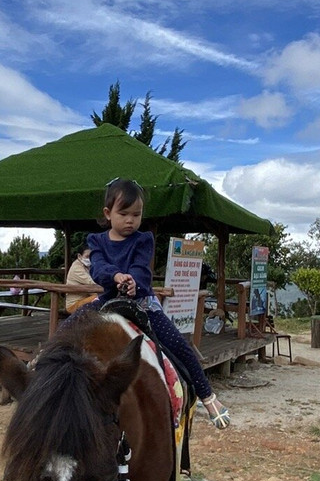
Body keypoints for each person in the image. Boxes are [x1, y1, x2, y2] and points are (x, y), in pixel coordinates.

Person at [77, 178, 231, 429]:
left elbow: (141, 269)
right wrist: (115, 276)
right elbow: (98, 268)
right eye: (123, 213)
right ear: (108, 213)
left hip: (142, 301)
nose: (130, 220)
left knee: (178, 345)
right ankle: (43, 364)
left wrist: (134, 283)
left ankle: (207, 396)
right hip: (108, 297)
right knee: (74, 322)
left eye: (136, 214)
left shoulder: (143, 239)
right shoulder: (97, 241)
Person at [63, 245, 99, 313]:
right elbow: (92, 282)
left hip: (84, 299)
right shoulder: (77, 268)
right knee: (102, 298)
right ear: (79, 256)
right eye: (87, 256)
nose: (90, 259)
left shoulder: (86, 266)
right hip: (73, 305)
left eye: (92, 257)